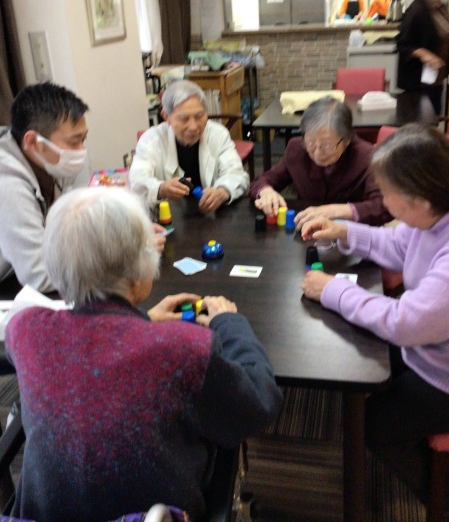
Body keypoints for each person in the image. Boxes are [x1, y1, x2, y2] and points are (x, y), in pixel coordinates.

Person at [5, 186, 283, 522]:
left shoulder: (24, 330)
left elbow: (87, 354)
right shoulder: (185, 348)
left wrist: (141, 321)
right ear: (140, 269)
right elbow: (261, 402)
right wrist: (230, 322)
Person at [300, 124, 449, 521]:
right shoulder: (445, 210)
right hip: (437, 348)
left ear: (419, 196)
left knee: (374, 426)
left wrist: (332, 290)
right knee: (361, 358)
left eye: (386, 193)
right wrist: (345, 231)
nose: (382, 199)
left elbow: (405, 323)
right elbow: (399, 246)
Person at [0, 82, 90, 292]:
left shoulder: (47, 161)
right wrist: (113, 260)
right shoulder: (8, 184)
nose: (81, 150)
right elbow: (39, 275)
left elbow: (69, 224)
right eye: (74, 142)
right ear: (33, 141)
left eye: (84, 139)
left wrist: (122, 234)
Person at [249, 97, 391, 227]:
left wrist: (338, 210)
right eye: (310, 143)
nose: (317, 153)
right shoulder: (296, 148)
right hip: (308, 230)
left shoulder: (367, 157)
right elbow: (263, 180)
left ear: (347, 140)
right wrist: (265, 191)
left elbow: (384, 206)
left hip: (353, 234)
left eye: (327, 146)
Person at [129, 80, 249, 214]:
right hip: (168, 217)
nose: (193, 127)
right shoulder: (151, 140)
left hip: (212, 215)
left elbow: (236, 174)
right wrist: (161, 188)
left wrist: (222, 191)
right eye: (183, 118)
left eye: (199, 116)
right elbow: (137, 181)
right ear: (166, 116)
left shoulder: (218, 134)